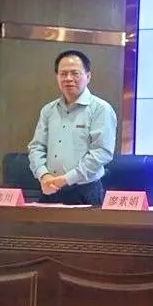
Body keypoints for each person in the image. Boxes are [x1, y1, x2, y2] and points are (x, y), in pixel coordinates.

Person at [27, 50, 117, 206]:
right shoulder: (48, 110)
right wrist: (43, 175)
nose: (68, 78)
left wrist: (67, 179)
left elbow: (102, 152)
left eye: (75, 73)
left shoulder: (100, 109)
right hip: (50, 188)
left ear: (88, 76)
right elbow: (36, 147)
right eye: (63, 74)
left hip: (84, 190)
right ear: (57, 77)